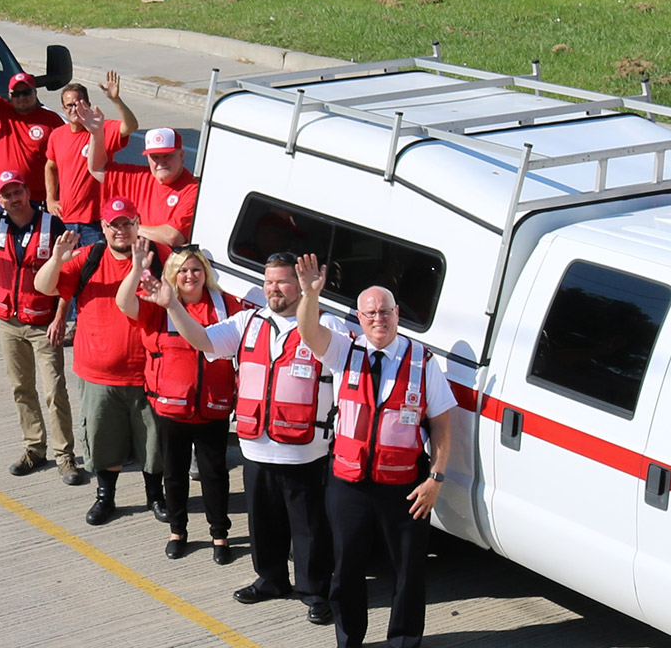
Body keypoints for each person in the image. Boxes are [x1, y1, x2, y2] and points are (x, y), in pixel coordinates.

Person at [147, 251, 345, 626]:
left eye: (282, 282)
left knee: (309, 529)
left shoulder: (326, 324)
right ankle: (271, 579)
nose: (274, 289)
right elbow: (203, 341)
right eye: (269, 281)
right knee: (263, 524)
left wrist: (311, 297)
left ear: (300, 285)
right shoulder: (246, 322)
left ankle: (316, 592)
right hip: (257, 446)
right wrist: (172, 305)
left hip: (305, 451)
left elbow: (321, 346)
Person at [292, 262, 455, 648]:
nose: (378, 318)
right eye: (370, 313)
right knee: (346, 569)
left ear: (398, 314)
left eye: (385, 311)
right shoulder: (343, 352)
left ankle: (404, 641)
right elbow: (307, 330)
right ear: (360, 318)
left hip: (405, 488)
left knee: (409, 571)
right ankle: (349, 639)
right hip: (349, 485)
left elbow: (444, 427)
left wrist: (436, 479)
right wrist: (310, 294)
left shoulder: (422, 362)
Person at [0, 143, 86, 486]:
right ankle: (34, 448)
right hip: (9, 324)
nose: (14, 198)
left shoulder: (53, 226)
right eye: (7, 194)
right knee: (21, 388)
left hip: (43, 324)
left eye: (18, 191)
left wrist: (61, 318)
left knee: (54, 390)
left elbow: (67, 279)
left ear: (29, 192)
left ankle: (65, 456)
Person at [116, 244, 247, 563]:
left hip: (212, 408)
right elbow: (124, 303)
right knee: (173, 473)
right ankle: (178, 531)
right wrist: (135, 268)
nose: (190, 276)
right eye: (183, 270)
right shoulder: (158, 305)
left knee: (214, 473)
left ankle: (220, 535)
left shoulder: (225, 304)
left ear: (206, 273)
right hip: (171, 410)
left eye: (196, 269)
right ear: (173, 275)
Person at [35, 196, 154, 520]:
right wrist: (57, 259)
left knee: (152, 445)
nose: (121, 231)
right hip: (98, 374)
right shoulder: (89, 257)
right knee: (103, 443)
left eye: (127, 223)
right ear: (102, 227)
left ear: (137, 223)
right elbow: (43, 286)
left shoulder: (156, 258)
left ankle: (156, 497)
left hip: (149, 373)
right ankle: (106, 497)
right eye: (113, 225)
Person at [44, 72, 138, 249]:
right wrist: (50, 199)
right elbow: (50, 166)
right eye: (69, 106)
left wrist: (116, 100)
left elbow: (131, 126)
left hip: (96, 222)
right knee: (69, 272)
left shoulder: (101, 129)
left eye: (79, 104)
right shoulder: (57, 135)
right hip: (67, 221)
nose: (74, 109)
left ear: (87, 104)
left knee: (97, 271)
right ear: (63, 109)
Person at [89, 121, 198, 272]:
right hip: (133, 266)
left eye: (167, 156)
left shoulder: (192, 190)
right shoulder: (140, 176)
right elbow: (97, 168)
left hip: (165, 271)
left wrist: (130, 228)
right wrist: (96, 134)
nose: (161, 162)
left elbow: (172, 236)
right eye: (155, 157)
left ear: (181, 155)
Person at [0, 35, 65, 205]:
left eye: (26, 92)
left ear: (35, 93)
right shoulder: (1, 112)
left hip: (38, 198)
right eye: (17, 94)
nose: (22, 98)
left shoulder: (52, 120)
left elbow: (63, 160)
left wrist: (56, 196)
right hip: (4, 195)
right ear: (9, 96)